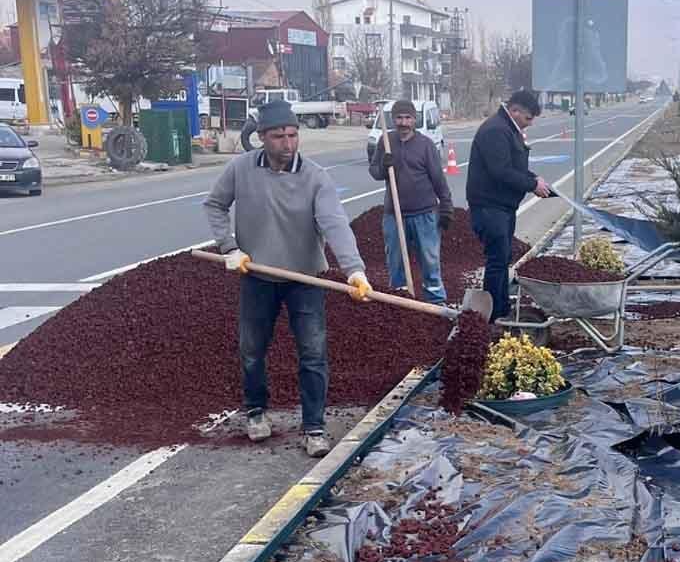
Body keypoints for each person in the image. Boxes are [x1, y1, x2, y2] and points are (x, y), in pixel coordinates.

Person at [204, 100, 372, 458]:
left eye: (293, 135)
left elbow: (334, 224)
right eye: (279, 136)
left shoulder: (315, 177)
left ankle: (314, 427)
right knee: (252, 350)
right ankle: (256, 411)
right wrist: (229, 248)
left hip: (306, 278)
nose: (288, 143)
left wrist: (354, 270)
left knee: (313, 352)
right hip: (258, 274)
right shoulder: (241, 169)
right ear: (262, 137)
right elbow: (215, 205)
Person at [466, 90, 551, 321]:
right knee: (497, 260)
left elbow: (513, 166)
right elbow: (500, 170)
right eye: (528, 118)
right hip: (489, 207)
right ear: (514, 111)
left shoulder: (508, 129)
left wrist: (535, 179)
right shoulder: (495, 130)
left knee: (503, 259)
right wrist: (531, 184)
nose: (530, 124)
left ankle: (501, 308)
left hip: (502, 207)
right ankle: (493, 316)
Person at [369, 100, 454, 304]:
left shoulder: (425, 145)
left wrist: (446, 208)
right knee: (395, 262)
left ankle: (436, 302)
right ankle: (400, 302)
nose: (403, 122)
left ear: (414, 120)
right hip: (394, 215)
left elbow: (438, 180)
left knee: (430, 261)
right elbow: (374, 171)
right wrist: (383, 165)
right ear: (393, 119)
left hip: (425, 214)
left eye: (408, 118)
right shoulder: (385, 141)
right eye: (399, 117)